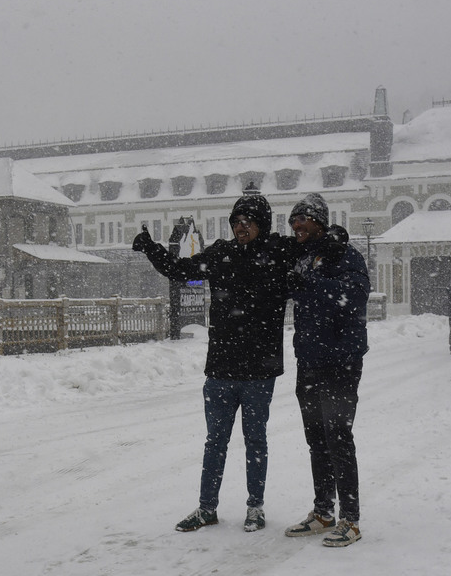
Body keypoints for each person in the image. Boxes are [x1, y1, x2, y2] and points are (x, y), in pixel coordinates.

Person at [132, 193, 296, 533]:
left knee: (255, 441)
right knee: (215, 442)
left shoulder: (278, 253)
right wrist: (151, 248)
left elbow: (315, 247)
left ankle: (255, 508)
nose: (241, 227)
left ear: (263, 224)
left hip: (259, 371)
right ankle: (207, 508)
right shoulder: (222, 254)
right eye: (236, 222)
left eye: (248, 221)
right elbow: (180, 270)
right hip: (221, 369)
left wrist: (333, 236)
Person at [283, 194, 370, 548]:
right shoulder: (302, 256)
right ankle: (323, 512)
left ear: (319, 221)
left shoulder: (345, 254)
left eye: (302, 218)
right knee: (316, 438)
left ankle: (350, 519)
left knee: (338, 436)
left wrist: (311, 283)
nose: (296, 225)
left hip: (340, 360)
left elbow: (355, 295)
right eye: (293, 220)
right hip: (309, 360)